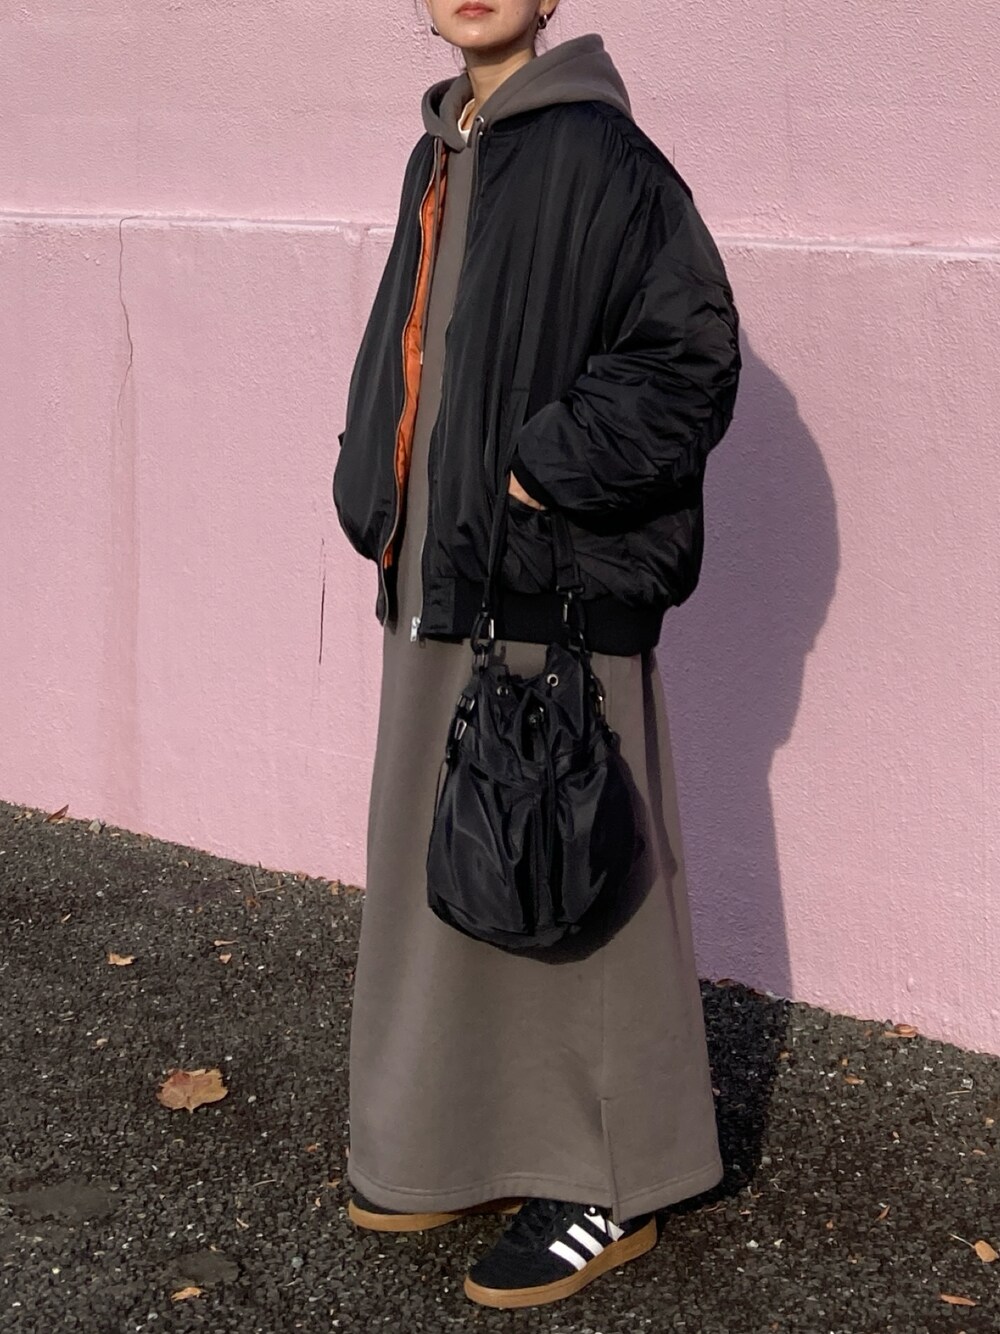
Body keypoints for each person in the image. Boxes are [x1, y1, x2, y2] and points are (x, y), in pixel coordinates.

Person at [332, 0, 741, 1311]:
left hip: (551, 578)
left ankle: (617, 1176)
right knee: (453, 859)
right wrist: (375, 482)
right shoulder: (442, 149)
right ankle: (458, 1141)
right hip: (436, 573)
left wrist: (542, 469)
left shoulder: (603, 155)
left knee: (583, 870)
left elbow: (689, 357)